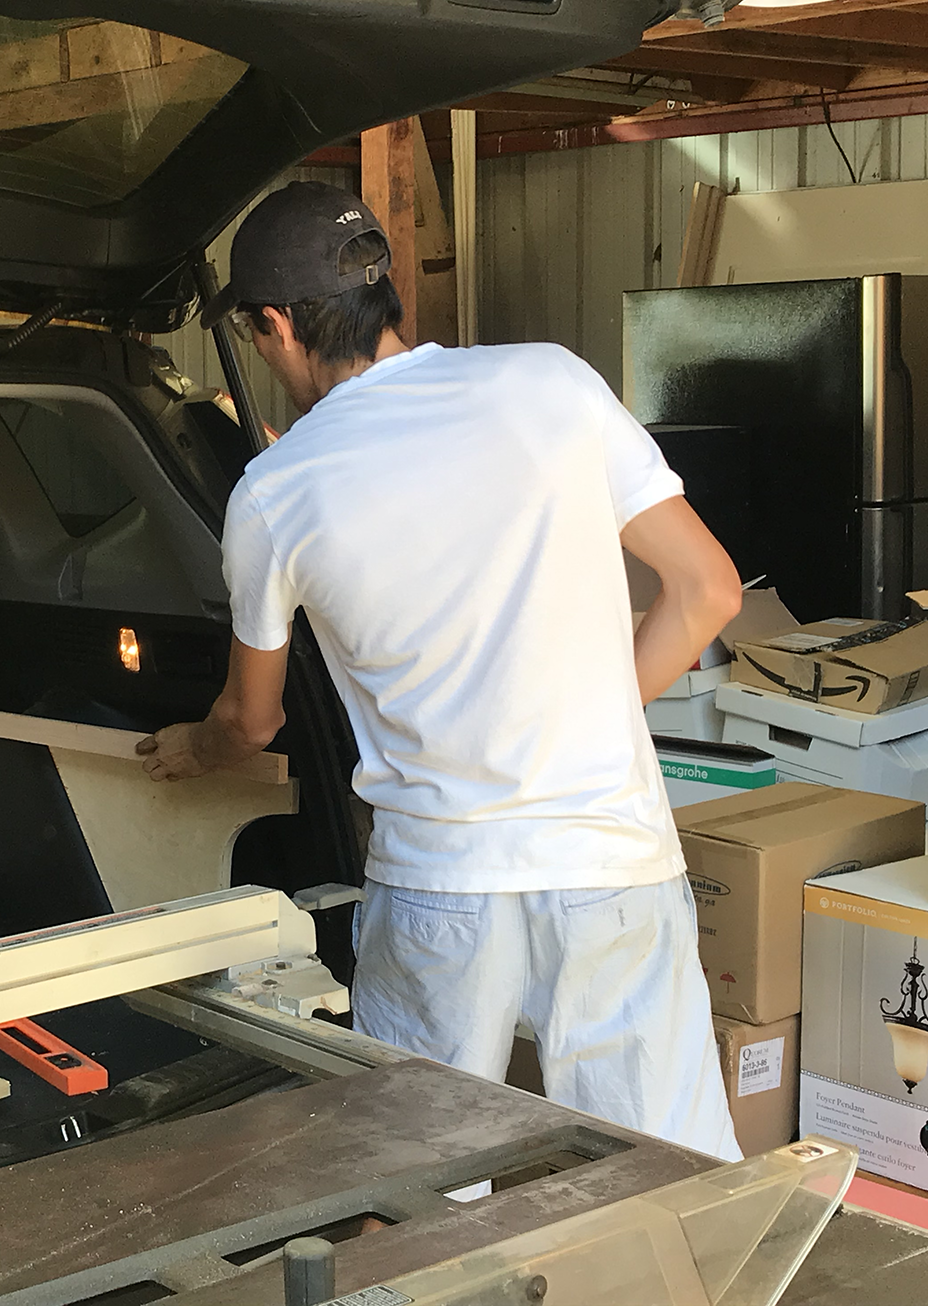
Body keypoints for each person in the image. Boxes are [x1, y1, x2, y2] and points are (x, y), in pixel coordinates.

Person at [135, 181, 743, 1161]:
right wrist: (581, 719)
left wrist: (188, 750)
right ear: (382, 293)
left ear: (277, 325)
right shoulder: (550, 382)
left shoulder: (275, 493)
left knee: (413, 1178)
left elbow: (250, 723)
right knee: (664, 1179)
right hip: (609, 859)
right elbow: (708, 591)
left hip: (439, 884)